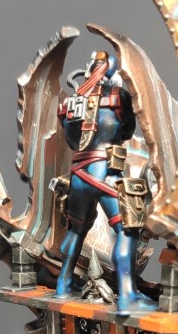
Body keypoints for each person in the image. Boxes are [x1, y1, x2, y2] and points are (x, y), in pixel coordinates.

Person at [55, 50, 155, 312]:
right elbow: (128, 131)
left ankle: (63, 285)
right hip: (106, 173)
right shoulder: (118, 96)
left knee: (76, 230)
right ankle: (127, 295)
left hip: (78, 174)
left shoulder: (72, 102)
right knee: (126, 230)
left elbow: (71, 141)